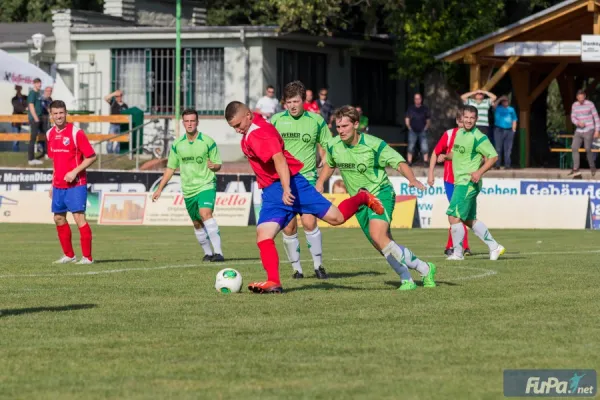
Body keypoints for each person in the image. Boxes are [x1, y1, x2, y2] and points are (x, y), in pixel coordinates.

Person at [225, 101, 384, 294]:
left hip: (293, 185)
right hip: (272, 192)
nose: (237, 130)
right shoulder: (255, 126)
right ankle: (274, 281)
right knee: (263, 235)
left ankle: (361, 197)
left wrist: (286, 188)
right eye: (233, 127)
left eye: (238, 125)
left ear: (248, 116)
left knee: (336, 218)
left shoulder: (259, 133)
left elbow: (280, 159)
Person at [316, 105, 437, 291]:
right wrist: (320, 182)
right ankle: (412, 275)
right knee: (382, 243)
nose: (340, 131)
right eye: (338, 127)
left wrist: (412, 179)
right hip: (359, 201)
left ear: (356, 124)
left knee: (378, 235)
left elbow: (399, 162)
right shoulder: (333, 145)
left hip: (380, 193)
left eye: (345, 126)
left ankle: (420, 271)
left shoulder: (373, 144)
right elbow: (330, 164)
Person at [271, 81, 333, 279]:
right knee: (288, 227)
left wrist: (325, 159)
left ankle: (318, 265)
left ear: (304, 100)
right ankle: (296, 269)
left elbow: (329, 145)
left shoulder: (316, 120)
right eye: (288, 102)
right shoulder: (275, 120)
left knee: (309, 222)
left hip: (306, 179)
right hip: (283, 182)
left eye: (296, 101)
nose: (292, 106)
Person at [152, 109, 225, 262]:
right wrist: (159, 189)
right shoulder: (177, 144)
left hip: (206, 184)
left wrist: (214, 166)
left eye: (192, 121)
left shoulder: (208, 141)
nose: (190, 124)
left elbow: (218, 164)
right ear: (183, 123)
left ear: (197, 122)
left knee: (206, 215)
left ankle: (218, 253)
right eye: (187, 121)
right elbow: (171, 168)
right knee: (197, 223)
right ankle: (208, 253)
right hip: (188, 189)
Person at [445, 105, 505, 261]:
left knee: (453, 215)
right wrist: (446, 156)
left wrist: (479, 172)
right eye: (466, 117)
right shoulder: (459, 134)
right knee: (468, 219)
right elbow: (458, 154)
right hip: (460, 181)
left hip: (468, 182)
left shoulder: (478, 136)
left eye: (472, 118)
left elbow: (493, 157)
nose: (469, 120)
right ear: (461, 118)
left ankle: (458, 253)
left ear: (476, 119)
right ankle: (494, 247)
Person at [47, 100, 97, 264]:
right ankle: (69, 255)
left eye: (61, 113)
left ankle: (87, 258)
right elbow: (55, 162)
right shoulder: (50, 134)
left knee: (79, 218)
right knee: (58, 219)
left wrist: (74, 171)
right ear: (51, 115)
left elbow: (91, 156)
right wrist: (51, 184)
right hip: (59, 185)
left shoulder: (76, 133)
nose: (59, 116)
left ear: (66, 113)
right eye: (55, 113)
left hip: (76, 184)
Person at [427, 109, 471, 257]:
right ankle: (461, 246)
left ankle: (454, 246)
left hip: (465, 180)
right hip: (450, 181)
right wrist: (431, 173)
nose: (464, 123)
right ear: (458, 121)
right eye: (462, 120)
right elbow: (435, 153)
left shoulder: (472, 136)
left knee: (459, 213)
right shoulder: (449, 134)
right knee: (457, 213)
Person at [570, 89, 600, 177]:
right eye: (579, 99)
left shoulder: (590, 104)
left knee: (587, 148)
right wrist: (578, 123)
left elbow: (596, 118)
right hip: (579, 130)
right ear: (577, 98)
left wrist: (597, 130)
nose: (581, 100)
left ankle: (592, 167)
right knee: (574, 147)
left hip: (589, 129)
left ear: (585, 97)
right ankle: (575, 169)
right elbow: (573, 118)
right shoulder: (574, 105)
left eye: (582, 98)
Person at [405, 93, 431, 165]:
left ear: (421, 99)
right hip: (412, 131)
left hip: (422, 131)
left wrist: (426, 128)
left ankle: (426, 161)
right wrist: (409, 127)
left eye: (418, 98)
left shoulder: (425, 109)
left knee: (424, 147)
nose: (417, 100)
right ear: (414, 100)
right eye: (416, 99)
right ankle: (409, 162)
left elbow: (428, 120)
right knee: (411, 146)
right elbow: (407, 119)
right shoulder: (410, 109)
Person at [492, 96, 518, 169]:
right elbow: (494, 105)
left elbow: (514, 119)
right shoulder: (498, 108)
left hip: (509, 130)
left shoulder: (511, 109)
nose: (505, 102)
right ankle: (497, 165)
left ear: (508, 101)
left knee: (508, 149)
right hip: (498, 129)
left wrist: (514, 129)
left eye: (506, 101)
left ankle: (507, 165)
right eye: (503, 101)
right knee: (498, 148)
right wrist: (500, 99)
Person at [104, 89, 129, 154]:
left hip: (121, 125)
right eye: (117, 96)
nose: (118, 97)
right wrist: (114, 93)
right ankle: (109, 153)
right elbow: (105, 98)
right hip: (113, 125)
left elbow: (128, 115)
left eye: (120, 96)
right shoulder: (113, 103)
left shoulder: (125, 105)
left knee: (119, 141)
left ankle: (117, 154)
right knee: (110, 140)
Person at [27, 78, 44, 165]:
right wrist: (36, 118)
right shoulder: (32, 93)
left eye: (40, 83)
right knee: (33, 138)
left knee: (45, 135)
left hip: (40, 117)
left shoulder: (38, 93)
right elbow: (31, 106)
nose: (40, 85)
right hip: (34, 119)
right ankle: (31, 159)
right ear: (34, 84)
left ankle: (46, 153)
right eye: (38, 83)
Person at [10, 85, 27, 152]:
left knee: (34, 129)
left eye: (19, 88)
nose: (18, 90)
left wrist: (26, 109)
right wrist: (25, 109)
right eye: (17, 89)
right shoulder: (14, 99)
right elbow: (17, 108)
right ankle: (15, 151)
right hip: (16, 119)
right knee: (16, 136)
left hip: (25, 118)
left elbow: (28, 104)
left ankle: (37, 148)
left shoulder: (25, 97)